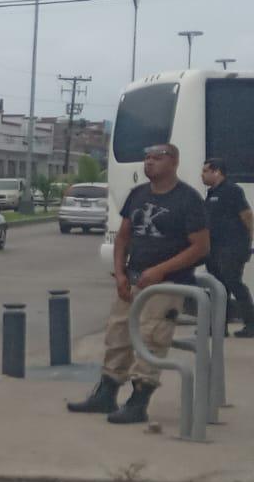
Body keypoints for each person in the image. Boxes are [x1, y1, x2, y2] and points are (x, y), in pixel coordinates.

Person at [69, 143, 209, 423]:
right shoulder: (137, 195)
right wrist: (120, 273)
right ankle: (106, 394)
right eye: (146, 158)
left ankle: (139, 401)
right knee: (117, 334)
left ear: (174, 163)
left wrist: (160, 270)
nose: (149, 163)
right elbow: (123, 237)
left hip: (166, 285)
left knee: (151, 338)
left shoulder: (188, 199)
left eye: (157, 158)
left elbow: (200, 247)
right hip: (132, 280)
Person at [202, 157, 254, 337]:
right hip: (214, 248)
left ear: (217, 171)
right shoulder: (211, 193)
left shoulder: (232, 190)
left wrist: (250, 240)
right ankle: (218, 327)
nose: (202, 175)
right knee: (218, 287)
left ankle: (251, 324)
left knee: (234, 283)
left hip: (232, 247)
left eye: (205, 171)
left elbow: (247, 215)